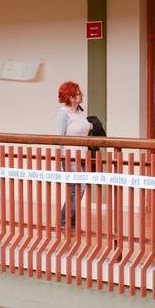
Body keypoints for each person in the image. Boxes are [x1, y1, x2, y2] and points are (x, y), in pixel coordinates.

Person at [54, 80, 90, 228]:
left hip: (83, 155)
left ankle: (69, 222)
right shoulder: (63, 114)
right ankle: (64, 220)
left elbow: (84, 128)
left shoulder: (80, 112)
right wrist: (58, 159)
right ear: (71, 97)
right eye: (78, 93)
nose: (81, 95)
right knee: (79, 188)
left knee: (75, 190)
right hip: (70, 157)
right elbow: (58, 138)